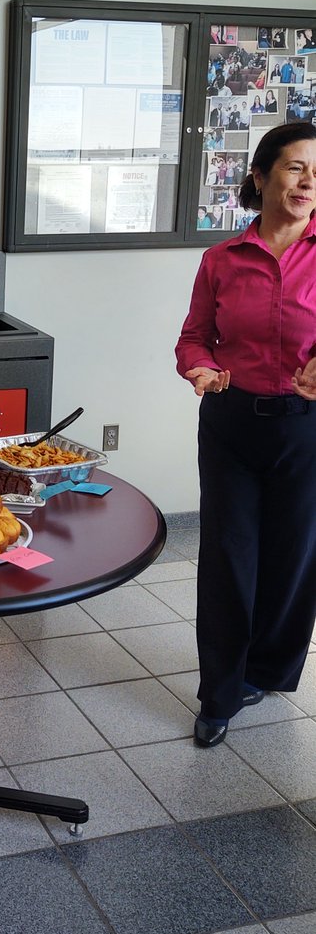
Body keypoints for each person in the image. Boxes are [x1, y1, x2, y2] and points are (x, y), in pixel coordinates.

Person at [176, 121, 316, 748]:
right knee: (230, 558)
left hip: (307, 427)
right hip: (232, 423)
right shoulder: (221, 259)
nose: (309, 181)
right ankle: (221, 691)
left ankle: (270, 671)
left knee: (295, 557)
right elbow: (194, 337)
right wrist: (198, 366)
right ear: (260, 178)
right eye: (295, 167)